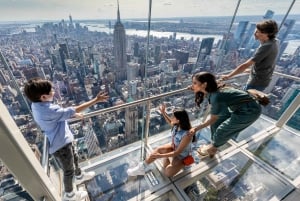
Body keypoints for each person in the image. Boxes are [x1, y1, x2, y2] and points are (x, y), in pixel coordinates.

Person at [24, 78, 109, 201]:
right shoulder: (48, 110)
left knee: (74, 158)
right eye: (51, 90)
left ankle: (79, 176)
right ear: (43, 97)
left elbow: (59, 116)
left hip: (62, 141)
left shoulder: (36, 105)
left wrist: (72, 115)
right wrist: (96, 100)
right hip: (61, 145)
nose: (53, 91)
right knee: (68, 171)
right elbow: (72, 110)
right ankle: (70, 195)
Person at [189, 72, 261, 158]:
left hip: (250, 111)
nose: (192, 85)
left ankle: (213, 148)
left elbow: (213, 119)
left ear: (204, 84)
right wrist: (195, 88)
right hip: (241, 107)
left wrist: (196, 128)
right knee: (215, 124)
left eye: (194, 83)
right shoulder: (213, 90)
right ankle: (215, 144)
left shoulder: (216, 96)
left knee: (221, 130)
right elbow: (214, 121)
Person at [127, 104, 194, 177]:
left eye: (173, 116)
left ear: (178, 120)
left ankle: (184, 163)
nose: (171, 117)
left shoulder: (187, 135)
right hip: (174, 147)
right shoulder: (177, 125)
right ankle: (141, 167)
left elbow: (177, 152)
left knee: (167, 173)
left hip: (181, 156)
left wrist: (160, 156)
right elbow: (170, 122)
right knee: (158, 150)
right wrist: (163, 112)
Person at [221, 19, 279, 91]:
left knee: (244, 100)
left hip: (256, 82)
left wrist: (228, 76)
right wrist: (252, 70)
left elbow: (246, 65)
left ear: (266, 34)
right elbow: (266, 60)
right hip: (263, 80)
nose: (255, 33)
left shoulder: (267, 46)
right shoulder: (275, 41)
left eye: (258, 32)